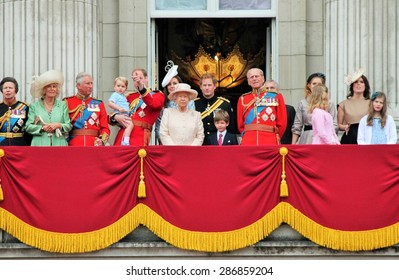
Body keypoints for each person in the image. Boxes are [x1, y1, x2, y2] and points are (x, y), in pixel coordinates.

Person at [109, 68, 165, 146]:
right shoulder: (129, 97)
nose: (138, 82)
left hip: (140, 137)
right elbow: (110, 116)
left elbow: (154, 105)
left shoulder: (157, 95)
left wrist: (142, 88)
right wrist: (116, 117)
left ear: (146, 79)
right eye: (135, 80)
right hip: (123, 136)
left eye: (140, 78)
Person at [236, 68, 287, 145]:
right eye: (251, 77)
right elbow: (240, 125)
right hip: (249, 141)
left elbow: (282, 122)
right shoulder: (243, 99)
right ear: (248, 82)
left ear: (263, 79)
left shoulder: (276, 96)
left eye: (257, 76)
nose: (254, 79)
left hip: (269, 140)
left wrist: (276, 137)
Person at [25, 70, 72, 146]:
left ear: (57, 89)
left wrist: (59, 125)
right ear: (44, 89)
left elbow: (68, 126)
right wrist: (42, 128)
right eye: (49, 86)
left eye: (54, 86)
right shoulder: (34, 106)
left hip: (59, 144)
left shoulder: (63, 105)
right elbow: (28, 127)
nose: (52, 89)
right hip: (39, 144)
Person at [64, 72, 110, 146]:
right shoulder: (67, 102)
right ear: (78, 85)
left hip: (94, 145)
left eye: (91, 83)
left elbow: (105, 128)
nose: (91, 86)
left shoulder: (99, 104)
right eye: (88, 83)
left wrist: (102, 141)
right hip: (74, 145)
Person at [154, 61, 195, 144]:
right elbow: (158, 127)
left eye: (175, 83)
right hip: (166, 145)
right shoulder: (162, 102)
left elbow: (192, 123)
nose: (172, 86)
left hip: (186, 143)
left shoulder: (190, 102)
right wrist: (166, 142)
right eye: (169, 84)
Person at [291, 72, 337, 144]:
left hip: (325, 139)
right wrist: (293, 144)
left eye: (319, 84)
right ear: (309, 85)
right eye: (314, 84)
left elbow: (334, 124)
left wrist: (331, 140)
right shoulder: (302, 103)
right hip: (308, 138)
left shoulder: (330, 103)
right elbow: (297, 126)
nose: (316, 86)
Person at [194, 73, 235, 145]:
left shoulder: (224, 104)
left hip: (217, 142)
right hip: (199, 142)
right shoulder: (194, 104)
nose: (207, 88)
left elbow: (231, 128)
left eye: (209, 85)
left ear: (215, 86)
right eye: (204, 85)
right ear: (200, 87)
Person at [338, 68, 371, 144]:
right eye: (356, 82)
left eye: (361, 82)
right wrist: (345, 127)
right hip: (350, 137)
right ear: (352, 85)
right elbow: (338, 125)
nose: (358, 84)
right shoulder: (343, 104)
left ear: (365, 86)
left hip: (367, 136)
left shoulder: (371, 103)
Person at [0, 77, 31, 146]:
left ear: (15, 90)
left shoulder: (24, 107)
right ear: (2, 90)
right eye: (5, 88)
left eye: (10, 88)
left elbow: (28, 130)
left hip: (19, 144)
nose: (8, 90)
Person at [263, 79, 296, 145]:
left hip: (285, 146)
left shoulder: (289, 109)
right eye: (266, 88)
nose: (269, 90)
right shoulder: (260, 111)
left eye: (272, 88)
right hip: (266, 144)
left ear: (278, 90)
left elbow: (294, 129)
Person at [108, 76, 133, 145]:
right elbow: (110, 103)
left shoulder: (123, 96)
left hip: (124, 114)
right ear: (114, 87)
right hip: (120, 114)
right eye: (118, 86)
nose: (120, 88)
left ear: (126, 88)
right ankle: (125, 140)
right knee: (130, 125)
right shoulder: (115, 95)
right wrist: (119, 108)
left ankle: (124, 140)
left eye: (123, 86)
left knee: (127, 126)